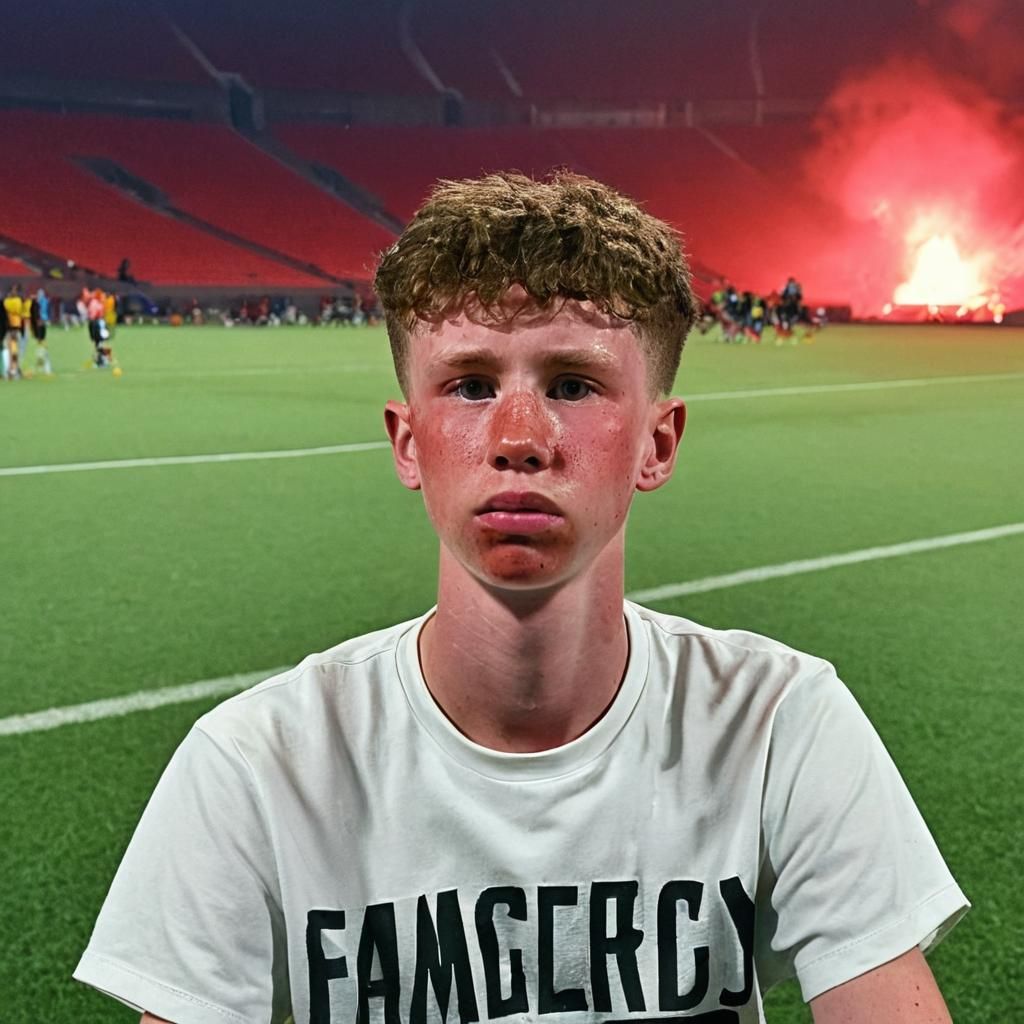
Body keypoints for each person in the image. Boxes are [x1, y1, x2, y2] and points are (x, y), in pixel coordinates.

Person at [74, 173, 967, 1024]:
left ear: (657, 444)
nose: (519, 438)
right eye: (470, 386)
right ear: (408, 442)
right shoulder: (255, 767)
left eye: (573, 385)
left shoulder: (780, 726)